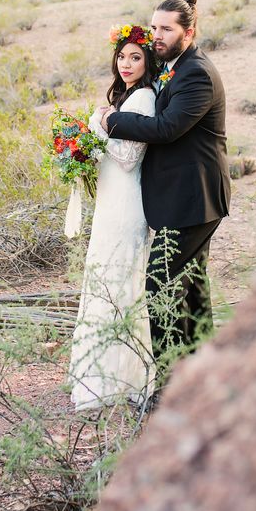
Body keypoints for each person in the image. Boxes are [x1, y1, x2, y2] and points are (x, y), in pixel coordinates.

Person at [101, 0, 231, 368]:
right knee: (191, 287)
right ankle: (200, 372)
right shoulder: (174, 64)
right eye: (154, 27)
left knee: (160, 285)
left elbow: (168, 128)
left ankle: (168, 379)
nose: (156, 35)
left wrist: (114, 121)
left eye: (166, 29)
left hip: (194, 198)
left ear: (188, 32)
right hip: (186, 197)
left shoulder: (197, 73)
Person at [68, 24, 159, 411]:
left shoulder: (144, 99)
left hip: (127, 204)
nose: (126, 63)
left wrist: (102, 123)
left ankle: (123, 377)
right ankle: (100, 374)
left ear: (147, 61)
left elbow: (127, 157)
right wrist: (80, 149)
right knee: (104, 276)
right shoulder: (125, 97)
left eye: (136, 57)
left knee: (121, 280)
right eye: (122, 56)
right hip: (110, 202)